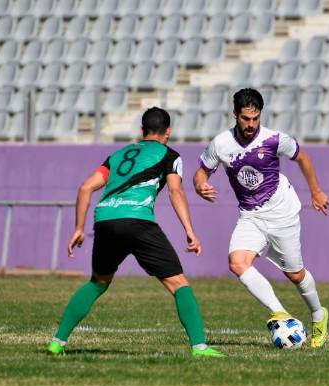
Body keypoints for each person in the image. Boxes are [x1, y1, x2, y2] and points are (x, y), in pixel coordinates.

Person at [47, 107, 223, 358]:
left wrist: (78, 228)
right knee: (179, 284)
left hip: (105, 220)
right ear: (168, 131)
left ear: (142, 131)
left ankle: (57, 342)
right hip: (137, 220)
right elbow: (175, 192)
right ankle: (200, 347)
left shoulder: (118, 154)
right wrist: (189, 230)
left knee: (98, 282)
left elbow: (86, 188)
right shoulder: (170, 155)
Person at [193, 88, 329, 348]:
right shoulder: (221, 143)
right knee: (237, 262)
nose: (251, 124)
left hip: (282, 212)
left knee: (295, 275)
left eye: (255, 118)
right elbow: (201, 173)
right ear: (235, 115)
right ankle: (280, 313)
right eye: (246, 118)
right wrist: (200, 185)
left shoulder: (274, 139)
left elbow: (303, 157)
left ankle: (318, 314)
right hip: (250, 215)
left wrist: (316, 191)